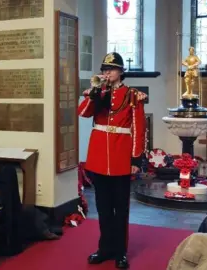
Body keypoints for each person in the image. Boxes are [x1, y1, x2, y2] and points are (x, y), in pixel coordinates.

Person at [77, 52, 147, 269]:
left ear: (121, 72)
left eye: (112, 69)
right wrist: (95, 93)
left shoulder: (132, 95)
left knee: (120, 208)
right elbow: (84, 113)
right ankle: (104, 248)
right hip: (98, 158)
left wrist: (136, 158)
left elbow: (138, 128)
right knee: (103, 208)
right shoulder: (98, 93)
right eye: (105, 69)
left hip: (120, 157)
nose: (107, 72)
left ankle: (120, 251)